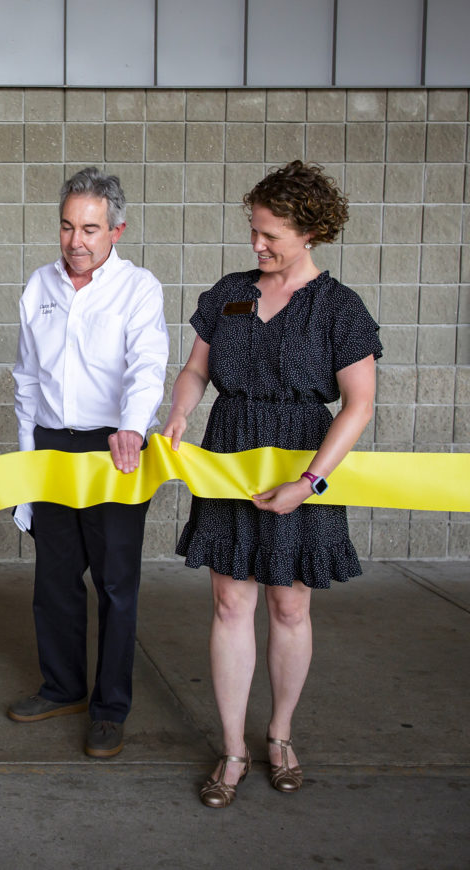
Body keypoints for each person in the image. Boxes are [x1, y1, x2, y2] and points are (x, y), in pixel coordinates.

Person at [162, 161, 381, 808]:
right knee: (231, 605)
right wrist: (178, 412)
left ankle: (279, 735)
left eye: (272, 235)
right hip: (229, 453)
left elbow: (358, 406)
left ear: (310, 232)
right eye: (254, 230)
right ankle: (232, 748)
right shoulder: (231, 291)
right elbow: (196, 371)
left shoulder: (340, 308)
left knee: (290, 605)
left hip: (300, 462)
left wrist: (310, 481)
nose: (258, 244)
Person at [9, 167, 169, 758]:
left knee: (115, 584)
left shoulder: (139, 288)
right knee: (53, 580)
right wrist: (27, 465)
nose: (77, 240)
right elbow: (27, 379)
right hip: (52, 444)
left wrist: (132, 426)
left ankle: (110, 708)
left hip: (114, 448)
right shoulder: (38, 287)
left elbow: (147, 365)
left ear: (117, 230)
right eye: (68, 227)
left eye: (92, 228)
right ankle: (63, 687)